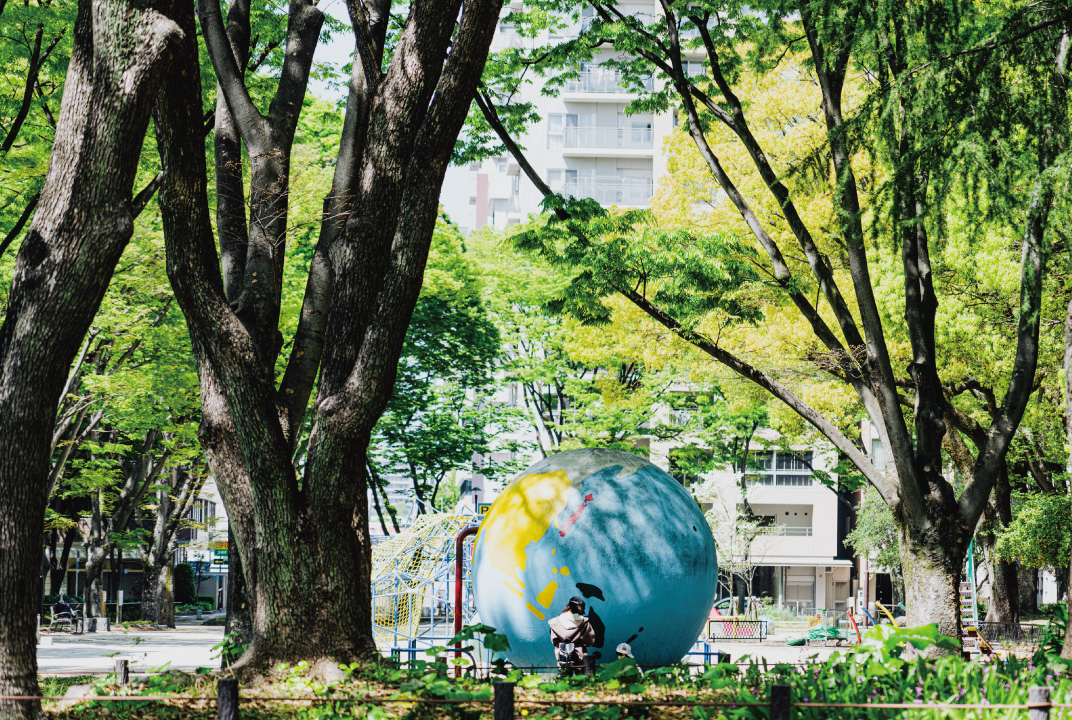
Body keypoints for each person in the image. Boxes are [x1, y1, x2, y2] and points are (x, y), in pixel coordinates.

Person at [548, 596, 596, 675]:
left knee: (564, 679)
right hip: (579, 657)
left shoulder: (556, 622)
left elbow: (554, 640)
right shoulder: (583, 622)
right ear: (580, 608)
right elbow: (589, 641)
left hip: (561, 656)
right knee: (580, 681)